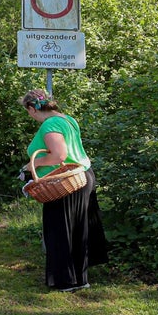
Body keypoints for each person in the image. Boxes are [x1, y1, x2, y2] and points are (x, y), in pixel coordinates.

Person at [19, 89, 108, 292]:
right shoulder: (68, 119)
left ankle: (65, 281)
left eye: (28, 111)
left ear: (32, 108)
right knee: (78, 229)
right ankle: (80, 279)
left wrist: (32, 165)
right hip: (82, 176)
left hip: (65, 183)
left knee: (60, 231)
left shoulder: (50, 124)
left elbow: (59, 156)